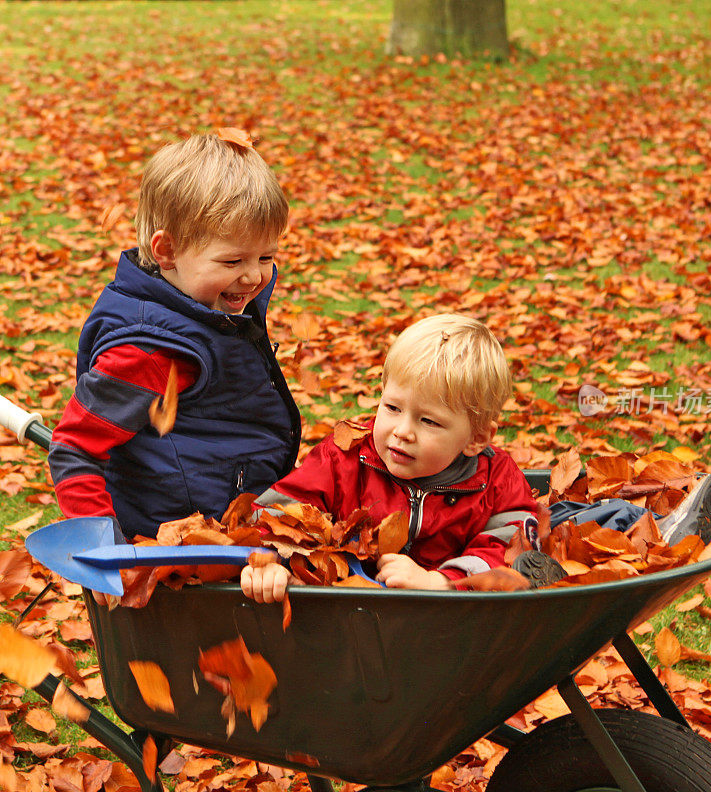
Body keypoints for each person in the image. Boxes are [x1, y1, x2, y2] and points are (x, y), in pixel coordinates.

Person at [48, 132, 301, 541]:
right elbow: (76, 448)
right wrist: (105, 546)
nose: (254, 275)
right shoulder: (150, 350)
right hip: (178, 542)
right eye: (233, 260)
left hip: (227, 521)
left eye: (266, 257)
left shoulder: (208, 309)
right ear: (166, 252)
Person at [241, 313, 549, 603]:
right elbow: (281, 511)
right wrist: (268, 558)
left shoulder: (497, 479)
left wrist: (444, 582)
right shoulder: (344, 458)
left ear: (476, 438)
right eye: (392, 408)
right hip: (348, 610)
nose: (402, 431)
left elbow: (513, 546)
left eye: (428, 421)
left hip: (449, 623)